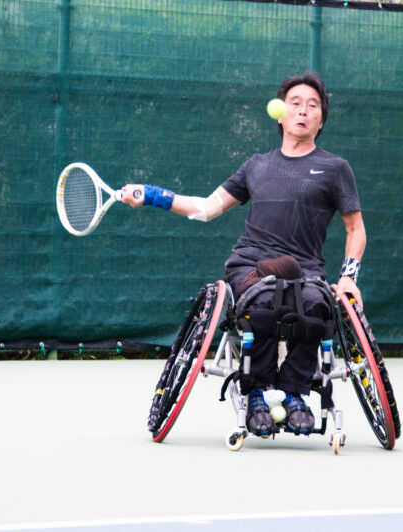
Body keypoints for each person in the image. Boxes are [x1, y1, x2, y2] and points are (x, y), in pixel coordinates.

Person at [121, 72, 366, 436]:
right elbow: (206, 208)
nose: (303, 111)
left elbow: (355, 228)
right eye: (295, 103)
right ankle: (257, 392)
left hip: (306, 270)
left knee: (317, 307)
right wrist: (152, 195)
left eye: (312, 106)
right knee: (264, 301)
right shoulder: (256, 165)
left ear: (321, 121)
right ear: (280, 114)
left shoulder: (335, 168)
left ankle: (294, 392)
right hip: (251, 264)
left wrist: (348, 277)